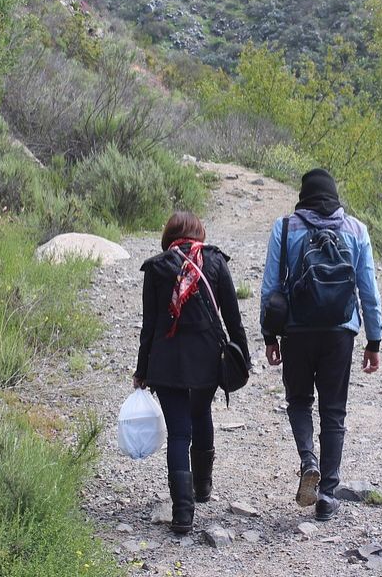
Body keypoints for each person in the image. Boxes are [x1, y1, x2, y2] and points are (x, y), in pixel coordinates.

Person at [260, 168, 382, 521]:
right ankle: (328, 494)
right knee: (334, 411)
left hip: (297, 330)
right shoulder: (356, 230)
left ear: (304, 194)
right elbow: (369, 292)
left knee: (298, 400)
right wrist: (373, 340)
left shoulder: (285, 227)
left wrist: (270, 336)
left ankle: (307, 460)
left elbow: (271, 288)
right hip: (339, 332)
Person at [134, 211, 250, 534]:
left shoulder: (156, 268)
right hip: (206, 361)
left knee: (179, 433)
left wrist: (141, 370)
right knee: (200, 415)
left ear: (168, 237)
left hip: (165, 364)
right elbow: (233, 317)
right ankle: (202, 487)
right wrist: (243, 356)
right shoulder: (214, 262)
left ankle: (182, 514)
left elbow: (150, 327)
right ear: (199, 234)